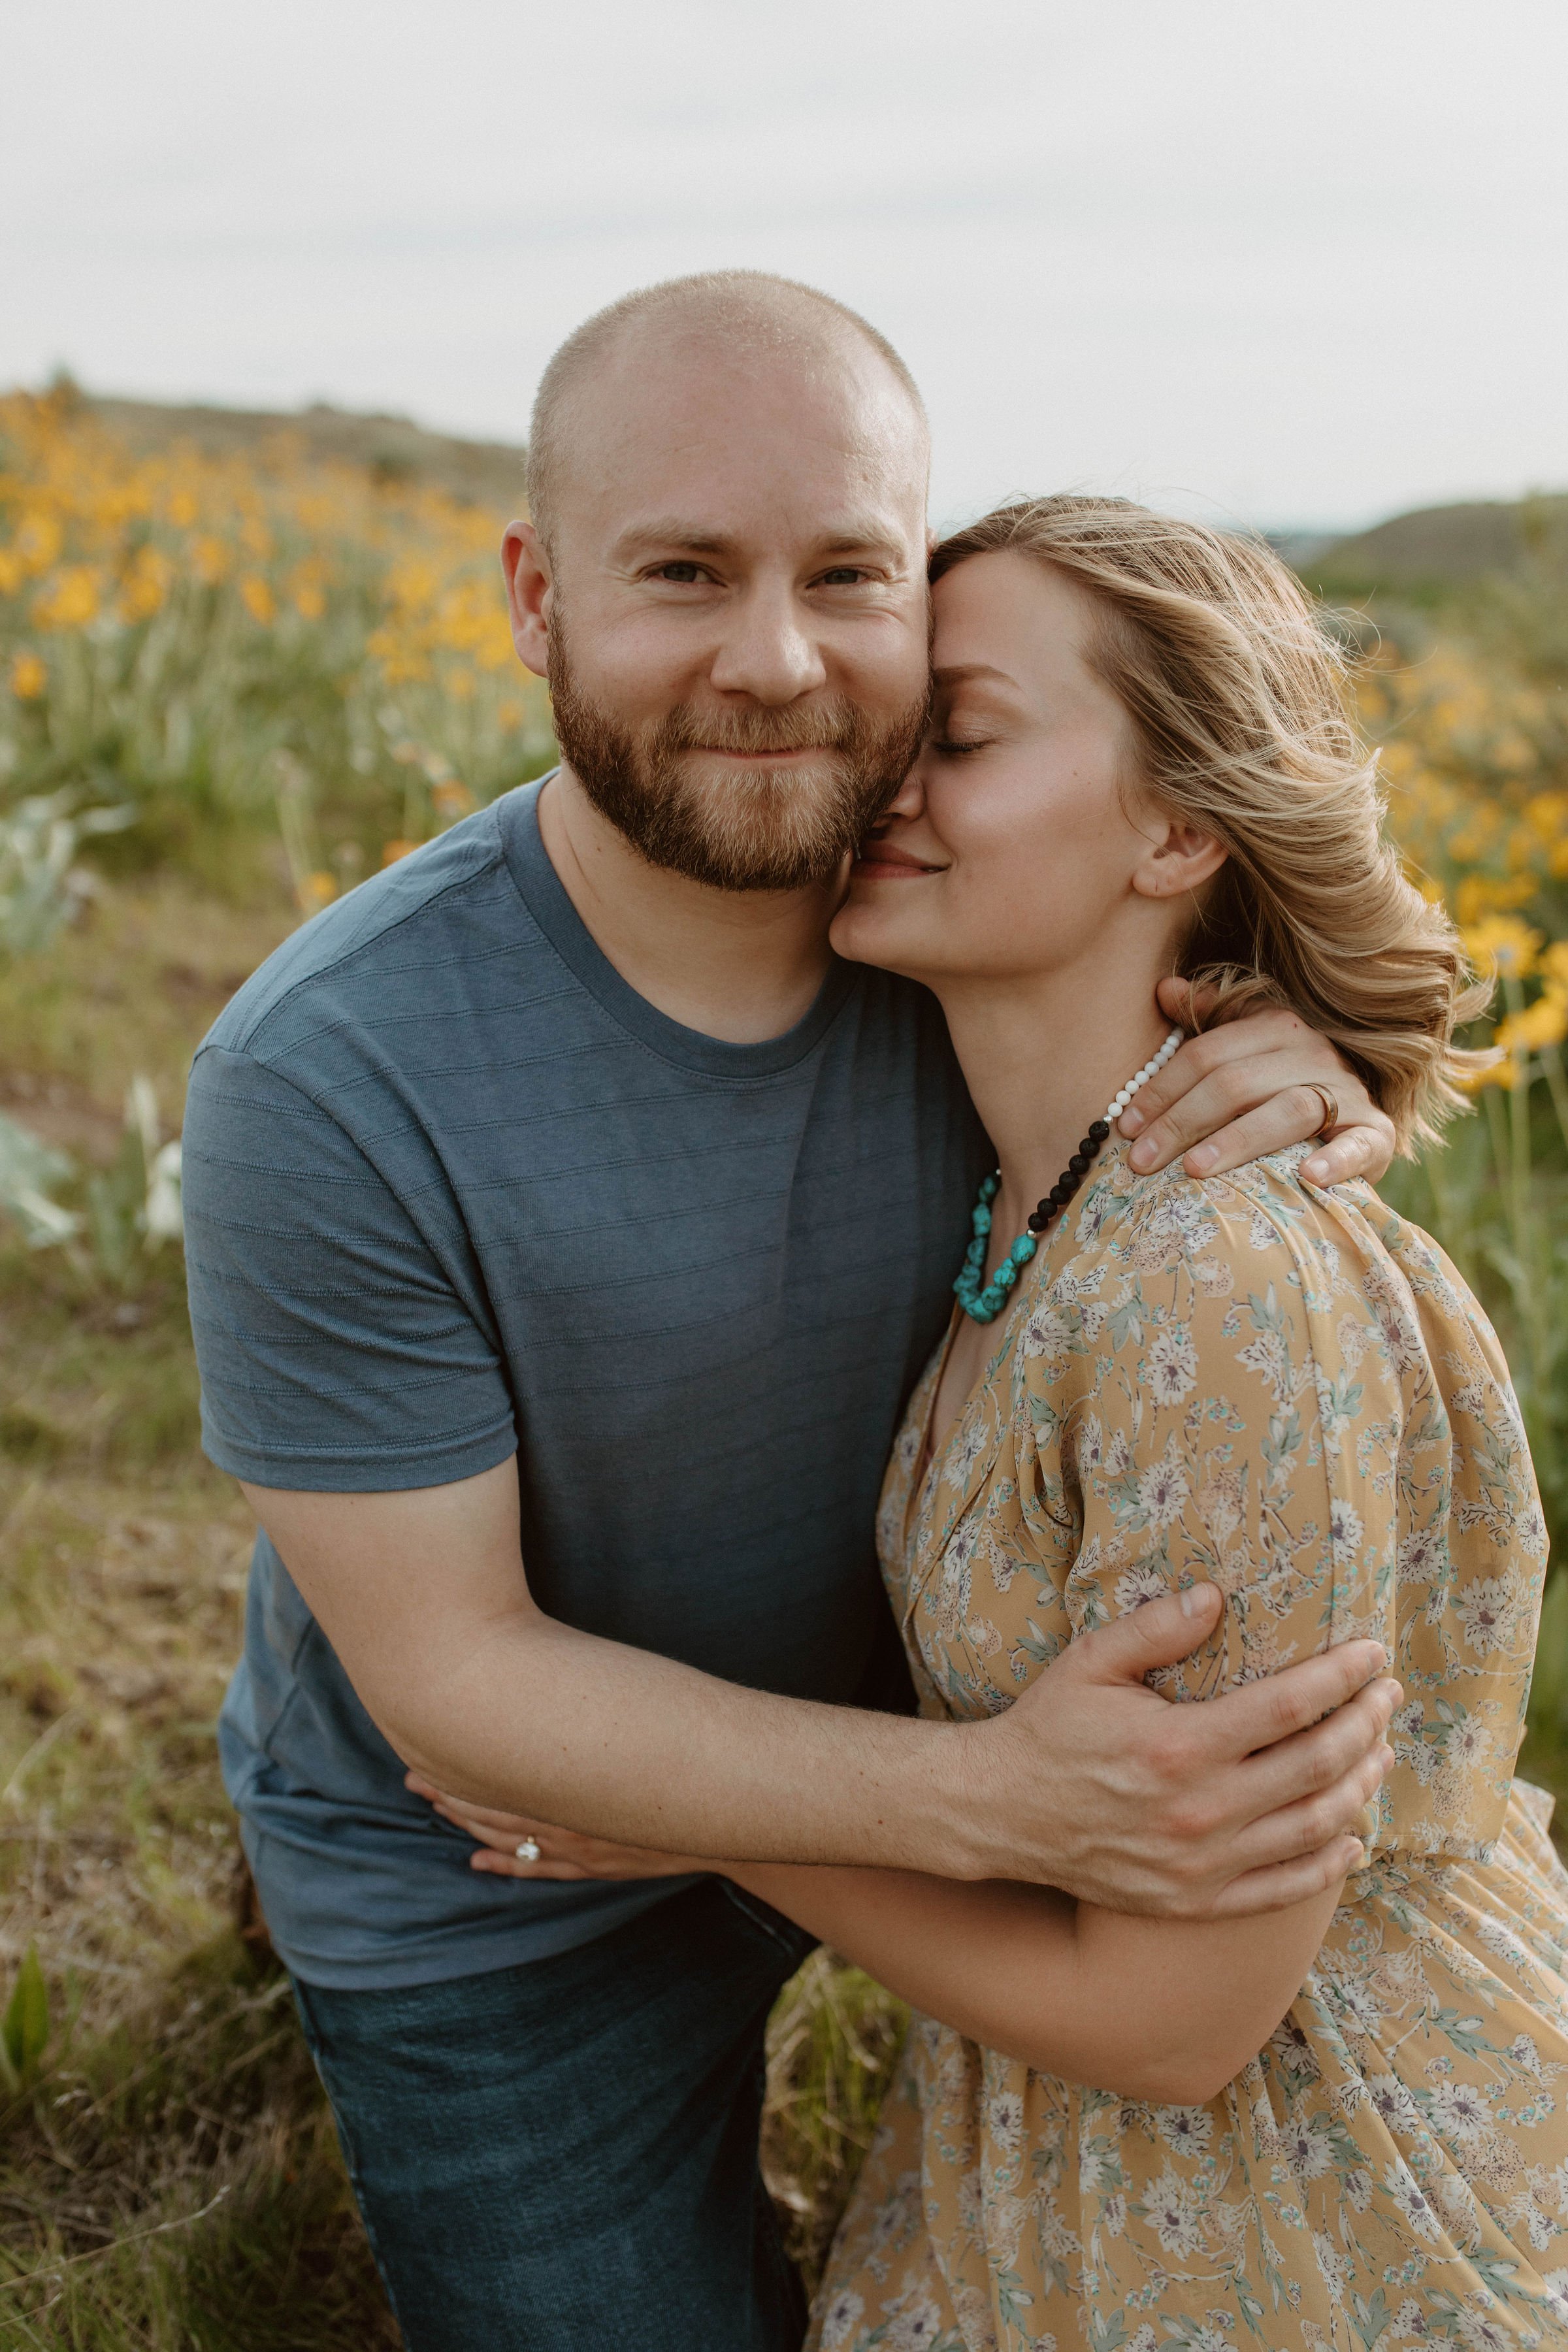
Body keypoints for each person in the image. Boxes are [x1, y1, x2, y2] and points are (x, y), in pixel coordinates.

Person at [180, 276, 1400, 2352]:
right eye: (682, 573)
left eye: (849, 573)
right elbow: (460, 1688)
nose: (774, 659)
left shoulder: (976, 954)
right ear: (535, 595)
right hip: (508, 1878)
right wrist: (996, 1804)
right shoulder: (326, 1077)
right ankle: (277, 1928)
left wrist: (1333, 1062)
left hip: (941, 1756)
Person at [449, 495, 1568, 2345]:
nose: (884, 783)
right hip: (1047, 2151)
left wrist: (695, 1816)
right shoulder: (1022, 1188)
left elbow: (1183, 2019)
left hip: (1326, 2181)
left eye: (955, 739)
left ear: (1183, 826)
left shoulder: (1215, 1288)